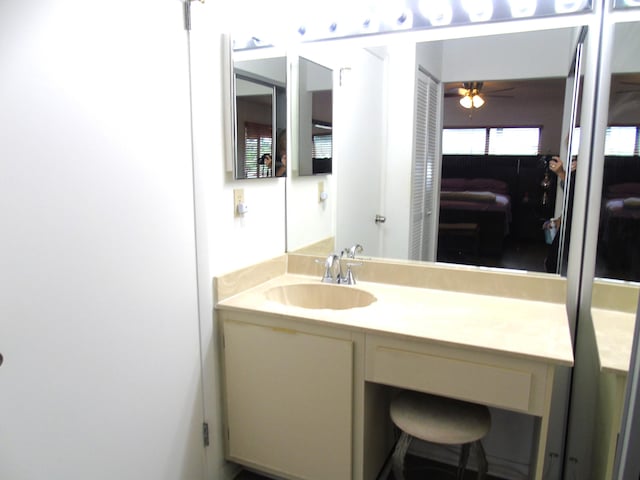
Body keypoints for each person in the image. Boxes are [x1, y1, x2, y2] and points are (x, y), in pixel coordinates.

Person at [543, 155, 577, 273]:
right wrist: (561, 219)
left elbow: (575, 194)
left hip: (578, 223)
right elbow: (571, 200)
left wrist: (561, 173)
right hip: (570, 218)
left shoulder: (586, 165)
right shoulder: (575, 163)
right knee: (552, 261)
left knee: (556, 262)